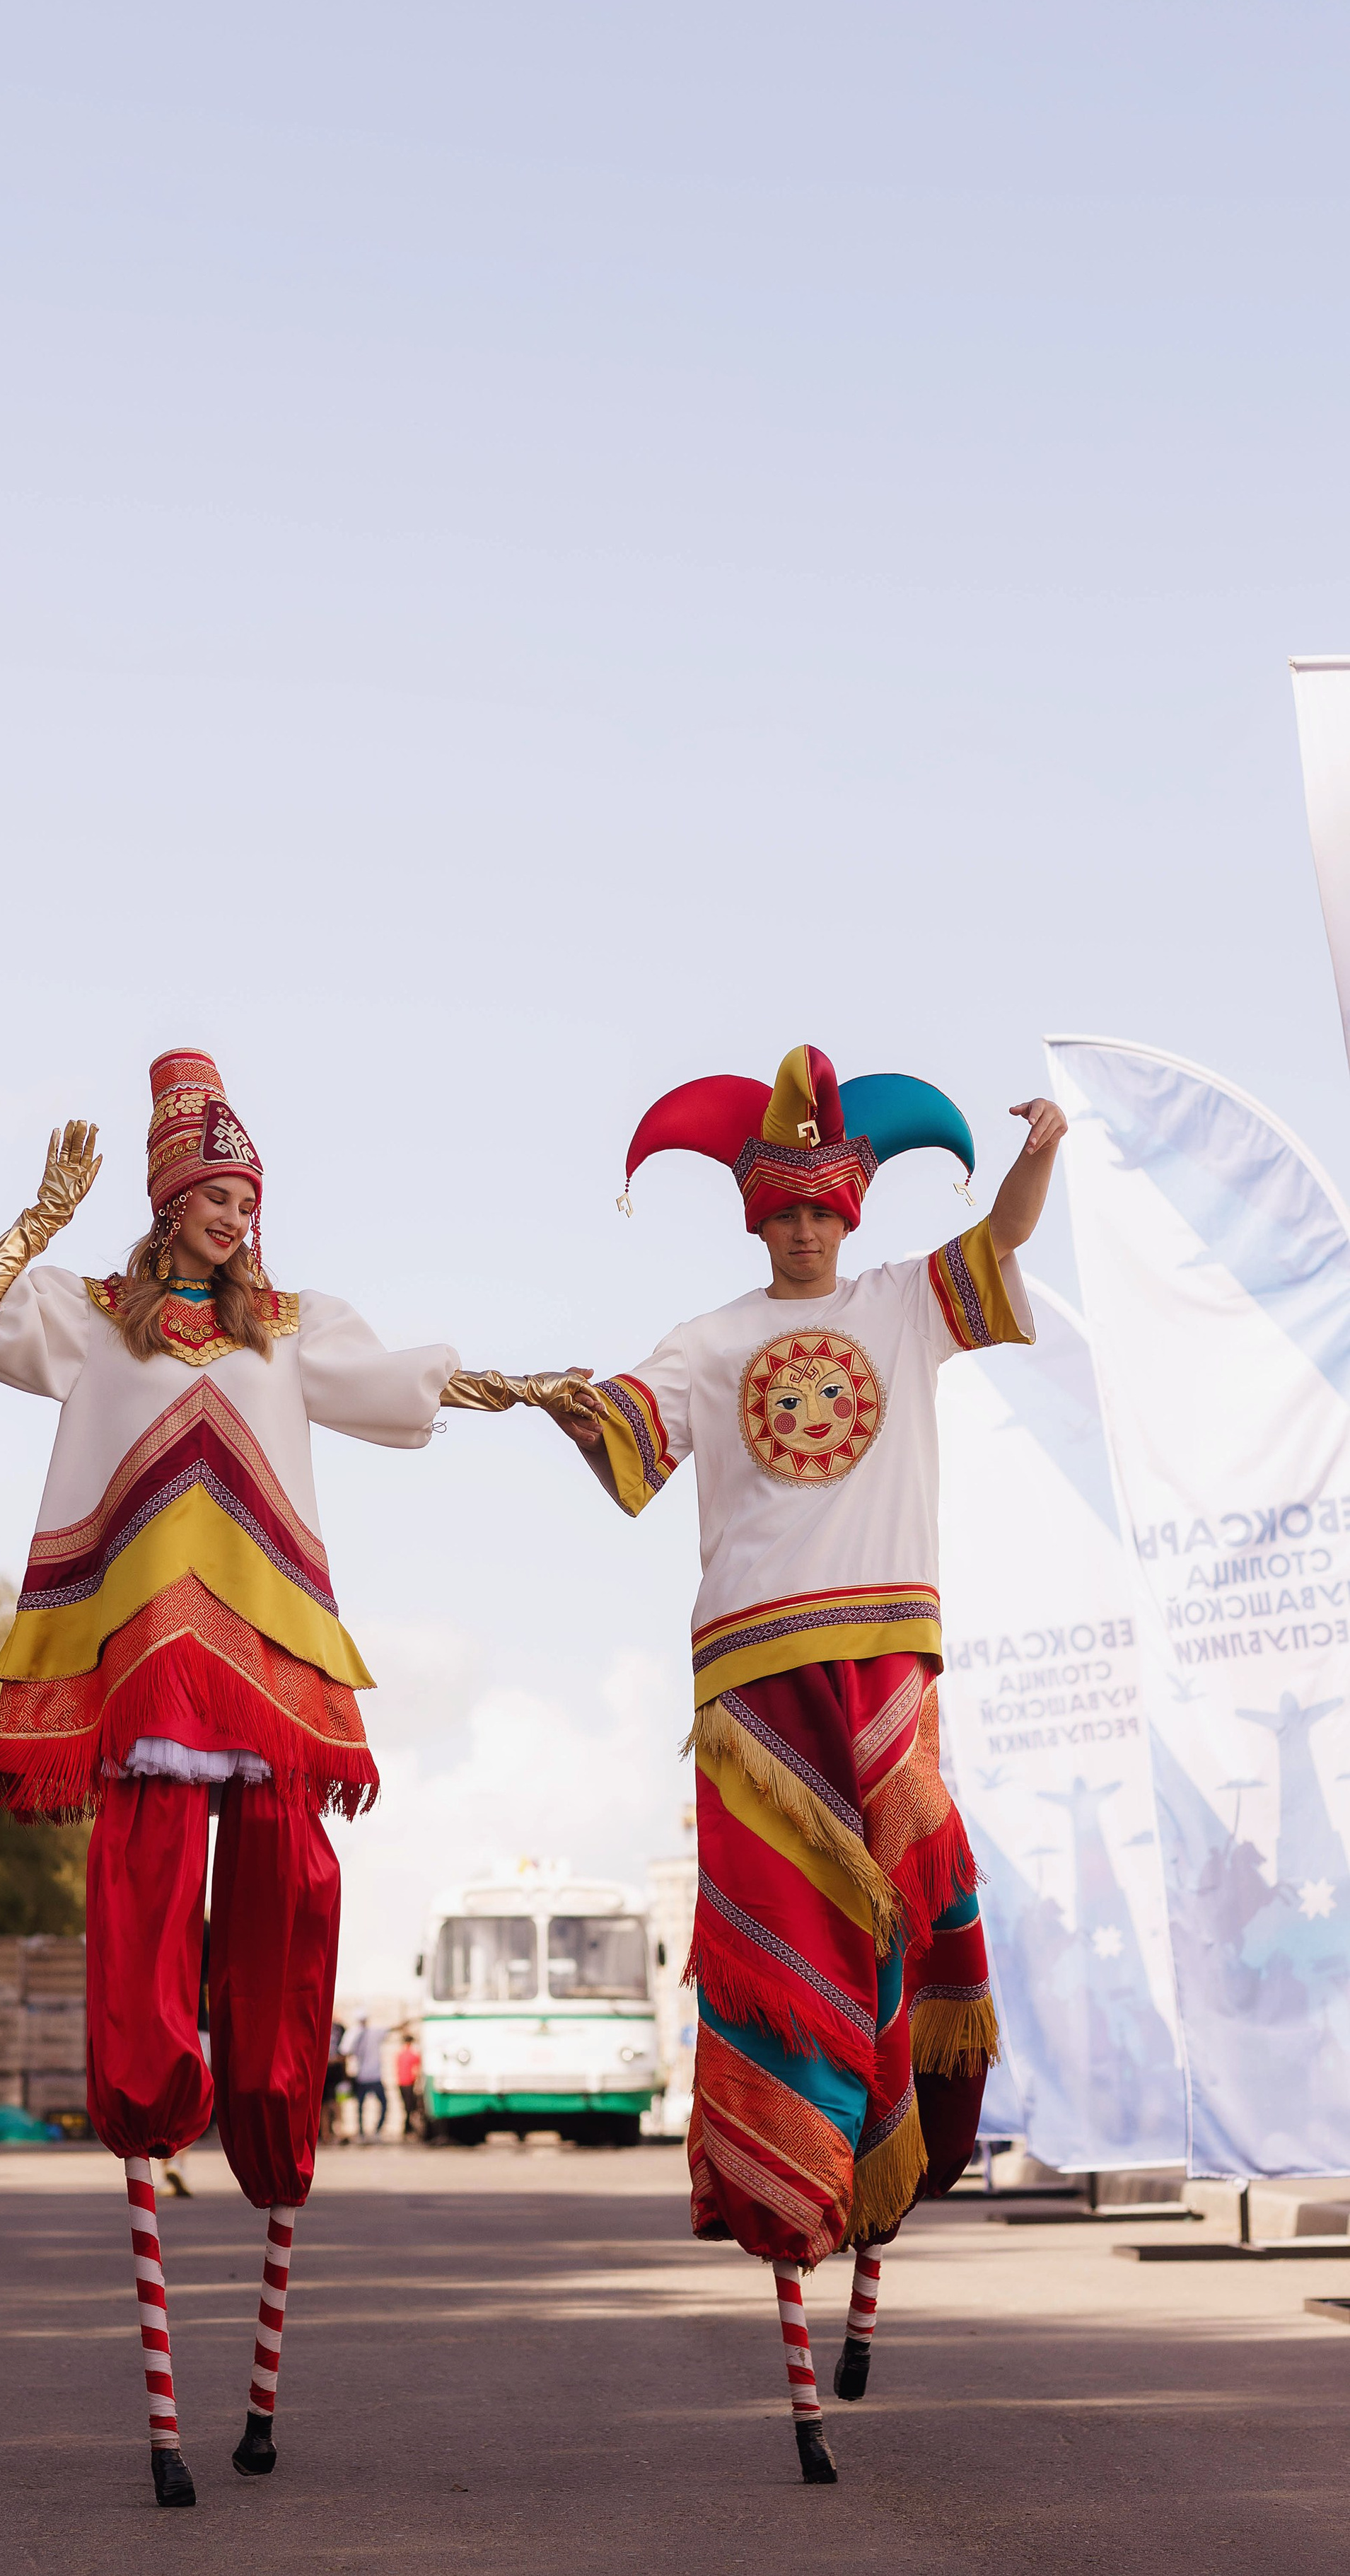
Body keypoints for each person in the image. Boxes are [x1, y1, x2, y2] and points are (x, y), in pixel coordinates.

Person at [460, 1044, 1061, 2486]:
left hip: (884, 1658)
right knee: (783, 1978)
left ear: (848, 1213)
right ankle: (796, 2294)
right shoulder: (709, 1337)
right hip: (747, 1691)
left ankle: (893, 2185)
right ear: (750, 1218)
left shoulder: (902, 1304)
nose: (799, 1229)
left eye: (818, 1209)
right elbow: (628, 1431)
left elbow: (999, 1242)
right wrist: (548, 1399)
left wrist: (1037, 1152)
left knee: (928, 1915)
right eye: (776, 1210)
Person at [0, 1050, 460, 2506]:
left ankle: (278, 2141)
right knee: (146, 1933)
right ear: (165, 1206)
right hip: (148, 1682)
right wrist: (41, 1215)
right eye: (208, 1195)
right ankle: (149, 2129)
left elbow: (413, 1385)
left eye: (245, 1194)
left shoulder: (292, 1330)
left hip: (275, 1676)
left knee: (288, 1926)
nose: (231, 1214)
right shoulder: (98, 1321)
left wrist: (531, 1389)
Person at [345, 2014, 388, 2141]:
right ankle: (364, 2132)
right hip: (365, 2076)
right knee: (362, 2106)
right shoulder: (355, 2035)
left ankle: (371, 2131)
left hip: (370, 2076)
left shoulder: (371, 2033)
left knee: (371, 2105)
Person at [395, 2030, 423, 2137]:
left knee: (407, 2106)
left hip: (401, 2083)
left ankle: (407, 2128)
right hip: (409, 2083)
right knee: (410, 2107)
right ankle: (407, 2128)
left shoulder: (400, 2055)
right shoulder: (412, 2055)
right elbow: (417, 2070)